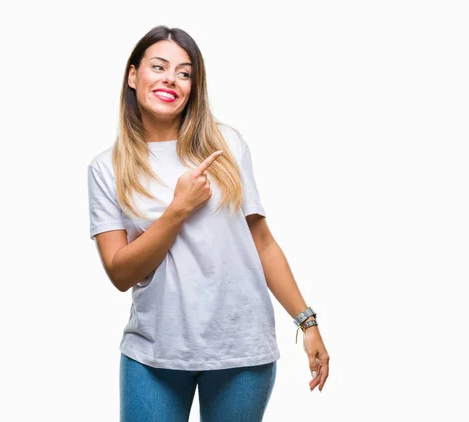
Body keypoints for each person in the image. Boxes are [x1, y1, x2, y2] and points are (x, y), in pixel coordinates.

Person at [86, 25, 330, 421]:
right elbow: (119, 272)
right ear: (133, 76)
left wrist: (308, 322)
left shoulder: (227, 146)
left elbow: (263, 243)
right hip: (154, 353)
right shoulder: (106, 168)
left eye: (184, 73)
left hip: (241, 349)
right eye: (159, 67)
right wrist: (178, 209)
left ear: (193, 87)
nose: (171, 79)